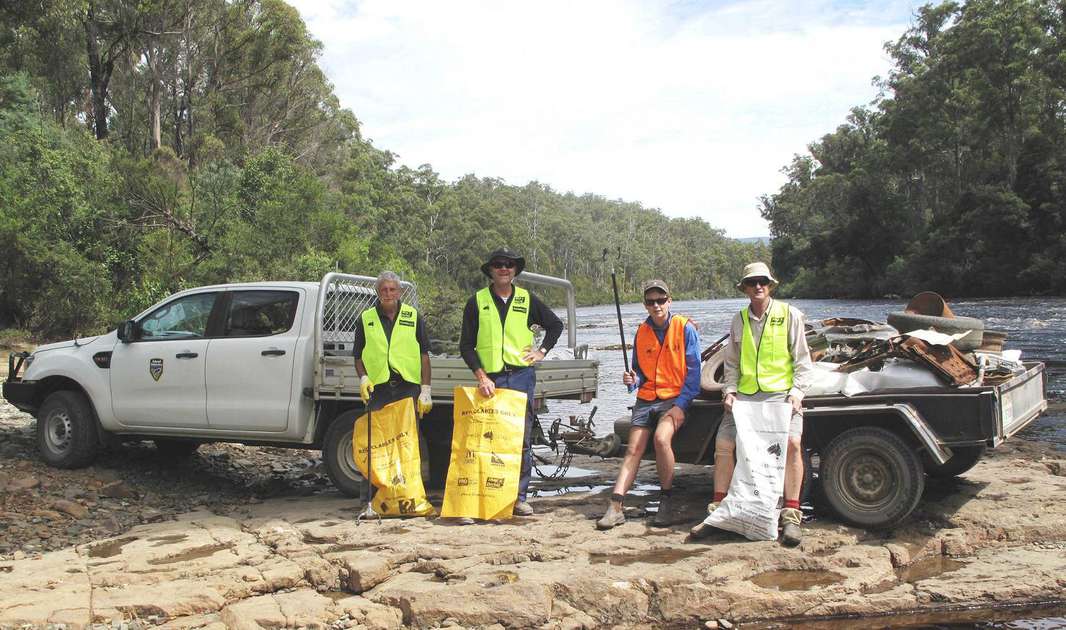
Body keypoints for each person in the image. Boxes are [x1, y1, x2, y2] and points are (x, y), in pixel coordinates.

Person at [690, 262, 814, 546]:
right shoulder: (739, 320)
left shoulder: (790, 315)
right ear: (744, 288)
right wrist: (729, 391)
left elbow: (803, 362)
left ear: (770, 285)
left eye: (763, 281)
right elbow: (731, 364)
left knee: (793, 444)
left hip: (781, 396)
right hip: (745, 397)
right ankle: (718, 511)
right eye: (751, 282)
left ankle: (791, 514)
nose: (758, 286)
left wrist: (797, 393)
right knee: (724, 444)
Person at [458, 248, 564, 517]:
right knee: (485, 440)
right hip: (490, 380)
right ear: (491, 271)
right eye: (498, 265)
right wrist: (481, 376)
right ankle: (485, 497)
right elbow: (466, 345)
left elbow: (555, 325)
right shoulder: (476, 301)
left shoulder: (528, 300)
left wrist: (541, 352)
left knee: (520, 440)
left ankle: (518, 498)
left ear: (515, 270)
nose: (504, 269)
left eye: (509, 265)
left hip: (520, 377)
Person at [597, 279, 701, 530]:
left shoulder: (685, 328)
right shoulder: (641, 332)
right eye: (651, 301)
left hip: (675, 399)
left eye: (661, 300)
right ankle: (616, 506)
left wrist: (681, 405)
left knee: (662, 440)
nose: (656, 305)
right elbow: (639, 373)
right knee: (633, 449)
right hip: (646, 399)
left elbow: (695, 373)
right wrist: (632, 380)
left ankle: (666, 501)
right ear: (645, 305)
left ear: (669, 301)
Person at [353, 271, 433, 415]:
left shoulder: (414, 316)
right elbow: (357, 357)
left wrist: (426, 389)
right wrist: (363, 378)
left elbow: (424, 355)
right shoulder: (365, 319)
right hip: (377, 390)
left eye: (392, 289)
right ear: (378, 292)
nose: (388, 294)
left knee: (406, 436)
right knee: (379, 435)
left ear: (399, 292)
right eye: (384, 290)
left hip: (407, 388)